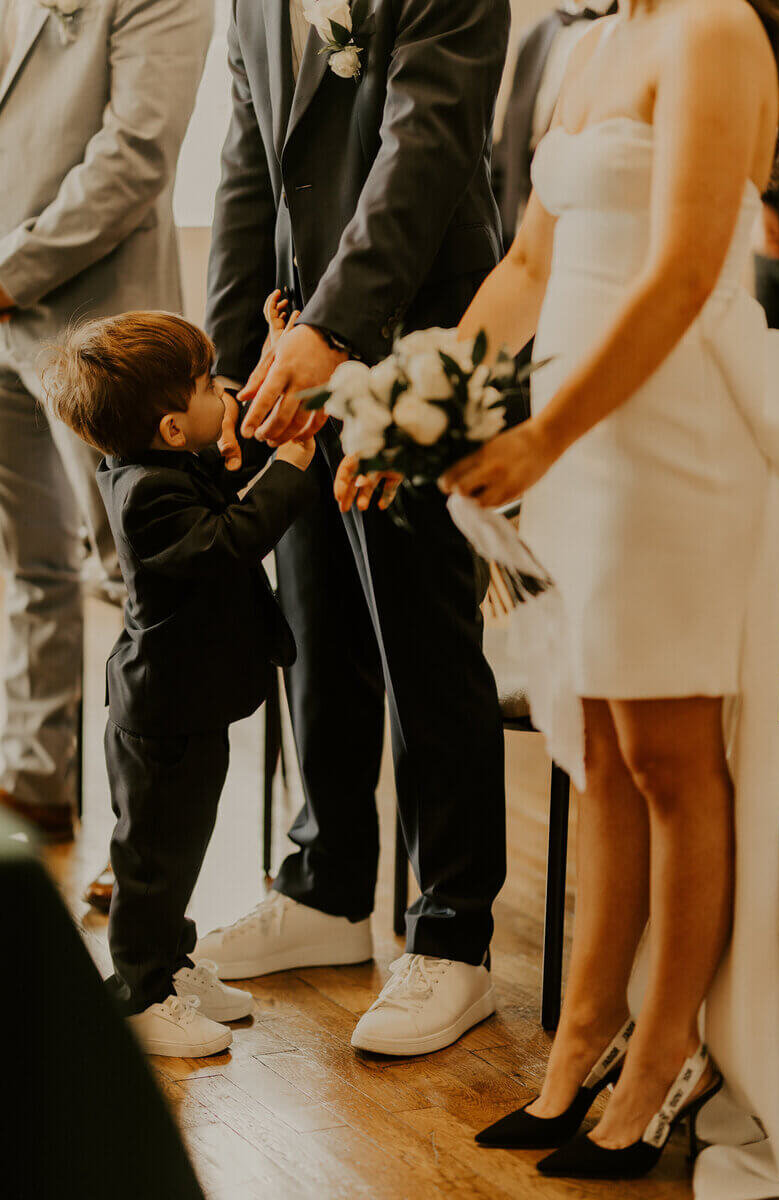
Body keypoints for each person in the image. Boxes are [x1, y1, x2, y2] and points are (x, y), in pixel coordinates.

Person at [441, 0, 779, 1194]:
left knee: (670, 756)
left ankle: (663, 1060)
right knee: (591, 747)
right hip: (576, 440)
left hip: (670, 426)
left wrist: (543, 434)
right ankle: (578, 1043)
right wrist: (424, 393)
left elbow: (687, 265)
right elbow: (531, 262)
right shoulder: (585, 41)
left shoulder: (713, 33)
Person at [197, 0, 510, 1057]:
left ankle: (452, 934)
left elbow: (425, 140)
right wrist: (229, 367)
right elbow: (247, 166)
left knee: (422, 632)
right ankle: (328, 887)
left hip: (419, 324)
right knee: (315, 619)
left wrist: (337, 328)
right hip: (290, 347)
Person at [43, 309, 317, 1058]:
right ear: (170, 428)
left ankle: (172, 965)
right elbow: (229, 541)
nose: (216, 392)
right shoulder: (147, 496)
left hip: (189, 705)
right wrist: (288, 471)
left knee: (182, 846)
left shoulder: (159, 462)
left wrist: (267, 360)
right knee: (151, 859)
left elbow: (222, 458)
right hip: (160, 713)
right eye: (204, 383)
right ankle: (138, 991)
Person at [0, 0, 212, 843]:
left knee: (135, 579)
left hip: (99, 333)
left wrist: (8, 273)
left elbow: (134, 157)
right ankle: (33, 781)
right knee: (28, 563)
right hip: (5, 327)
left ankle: (148, 837)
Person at [493, 2, 617, 249]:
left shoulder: (629, 32)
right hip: (517, 230)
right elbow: (508, 144)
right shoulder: (536, 34)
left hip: (586, 232)